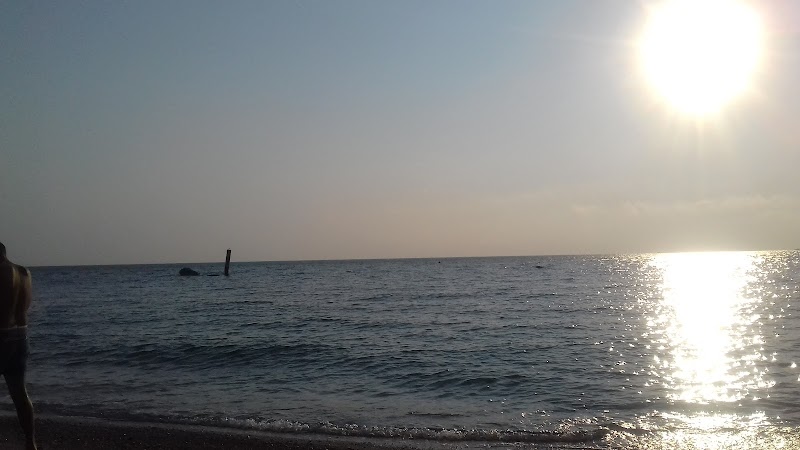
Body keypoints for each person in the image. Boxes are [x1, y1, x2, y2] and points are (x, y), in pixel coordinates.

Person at [0, 242, 37, 450]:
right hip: (21, 337)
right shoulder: (24, 273)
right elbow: (26, 306)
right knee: (20, 393)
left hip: (1, 337)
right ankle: (30, 442)